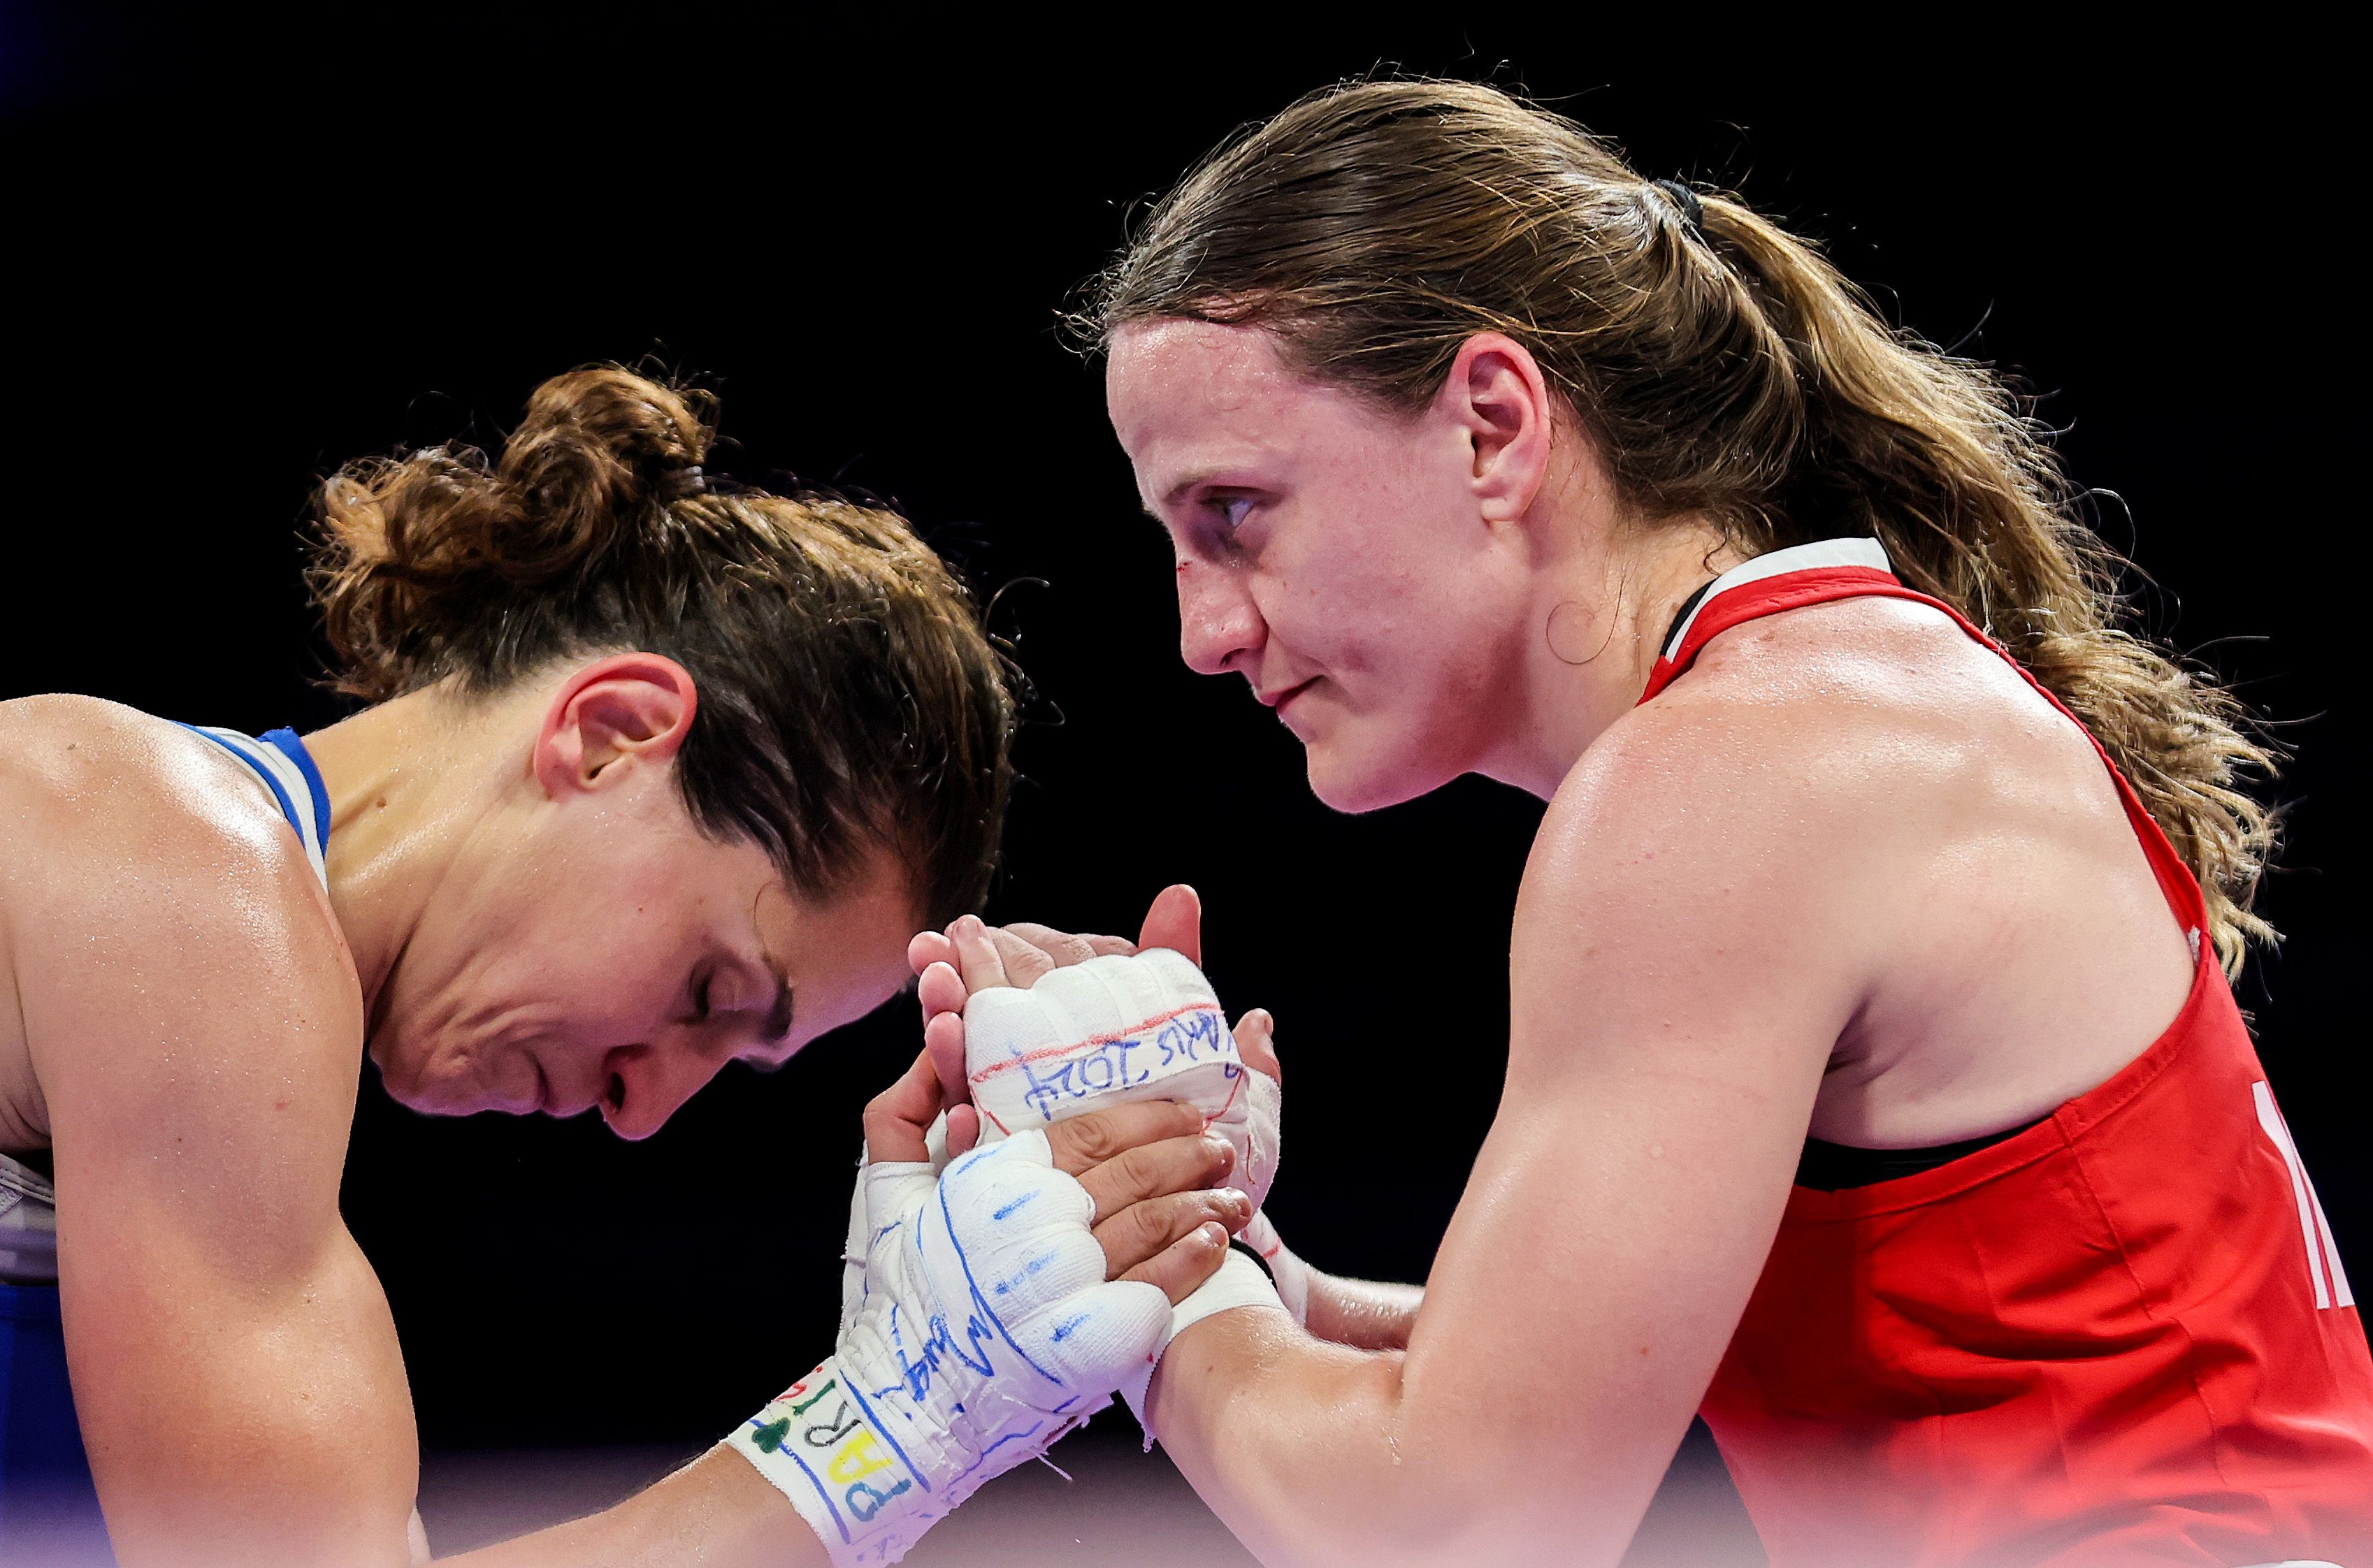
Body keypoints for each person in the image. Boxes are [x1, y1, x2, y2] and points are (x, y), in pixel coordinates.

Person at [921, 79, 2373, 1567]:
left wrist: (1150, 1286)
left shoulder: (1729, 777)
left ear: (1491, 427)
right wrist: (1241, 1268)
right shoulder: (1834, 696)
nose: (1201, 633)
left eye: (1232, 511)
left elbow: (1465, 1523)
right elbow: (1605, 1381)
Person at [0, 367, 1253, 1567]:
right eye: (708, 996)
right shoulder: (177, 870)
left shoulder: (190, 974)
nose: (641, 1110)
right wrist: (902, 1410)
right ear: (614, 736)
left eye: (730, 1062)